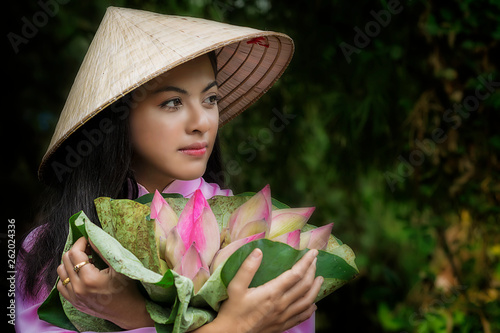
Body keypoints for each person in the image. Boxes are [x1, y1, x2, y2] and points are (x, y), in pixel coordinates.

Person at [16, 7, 323, 333]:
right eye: (172, 103)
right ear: (117, 120)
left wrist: (138, 317)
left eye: (211, 98)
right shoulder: (48, 253)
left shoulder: (252, 230)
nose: (202, 122)